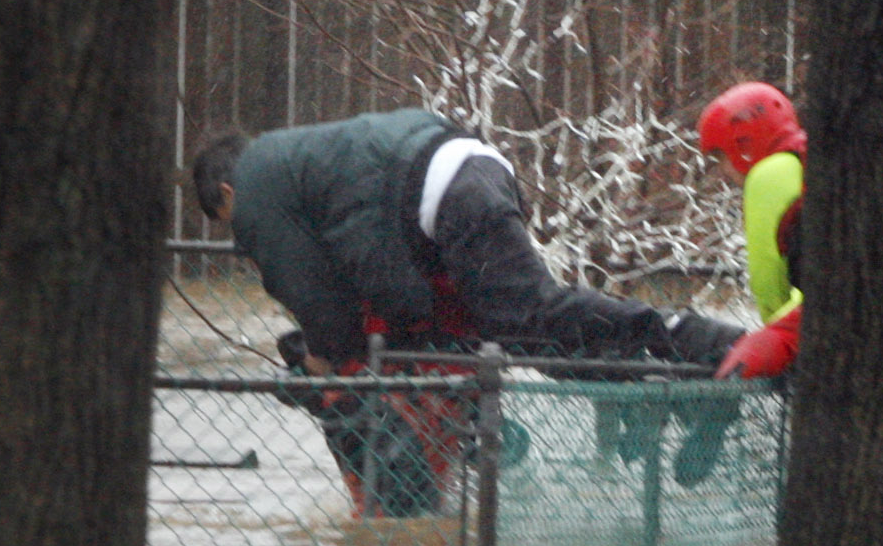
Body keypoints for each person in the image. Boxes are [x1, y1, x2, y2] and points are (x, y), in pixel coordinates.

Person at [193, 111, 740, 513]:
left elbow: (319, 305)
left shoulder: (257, 190)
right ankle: (665, 388)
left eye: (227, 220)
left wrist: (317, 363)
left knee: (532, 312)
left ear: (226, 192)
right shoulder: (296, 164)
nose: (239, 236)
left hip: (445, 192)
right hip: (462, 172)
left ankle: (693, 337)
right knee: (519, 333)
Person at [697, 81, 806, 379]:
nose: (722, 171)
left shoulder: (767, 176)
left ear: (743, 144)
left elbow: (768, 279)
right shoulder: (809, 157)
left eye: (721, 156)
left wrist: (776, 337)